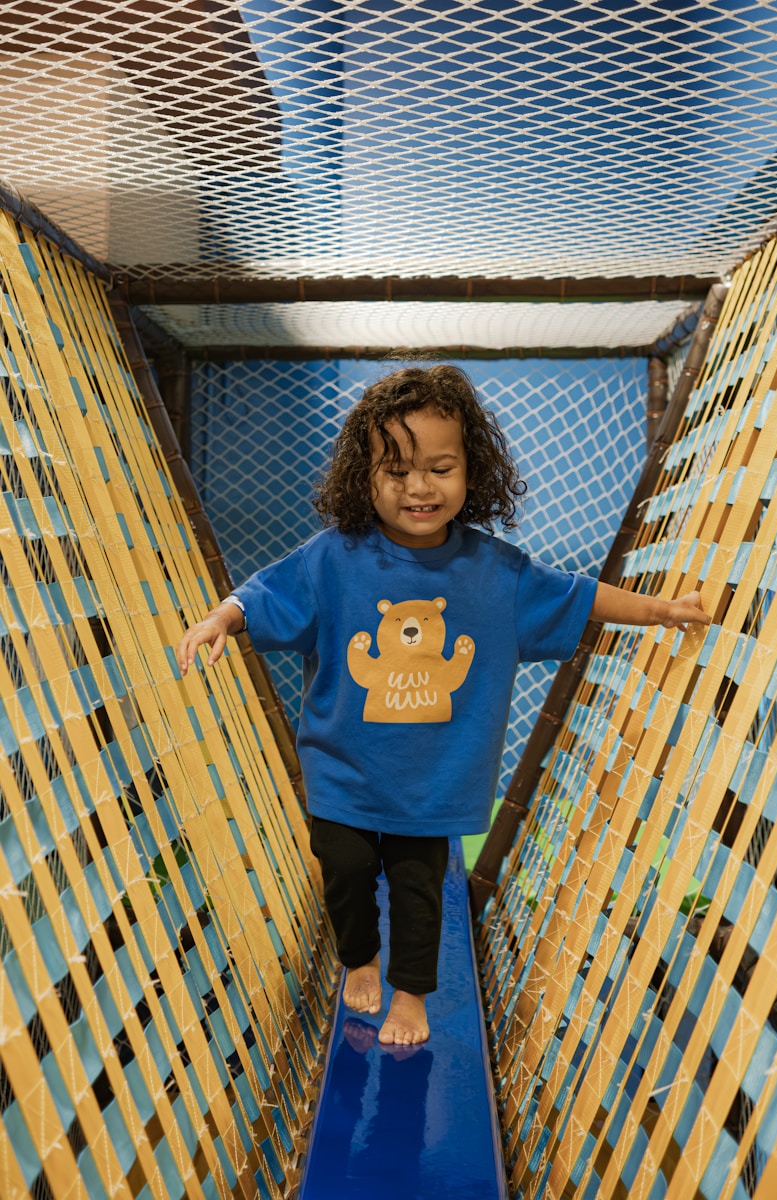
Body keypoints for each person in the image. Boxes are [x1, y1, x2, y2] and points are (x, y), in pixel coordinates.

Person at [176, 365, 710, 1046]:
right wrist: (223, 617)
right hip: (343, 770)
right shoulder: (334, 559)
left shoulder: (496, 573)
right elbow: (265, 593)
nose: (419, 486)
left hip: (432, 783)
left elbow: (582, 595)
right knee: (342, 870)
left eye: (439, 467)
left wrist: (663, 610)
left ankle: (411, 998)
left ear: (470, 470)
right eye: (395, 469)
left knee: (419, 893)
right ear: (362, 476)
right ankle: (360, 956)